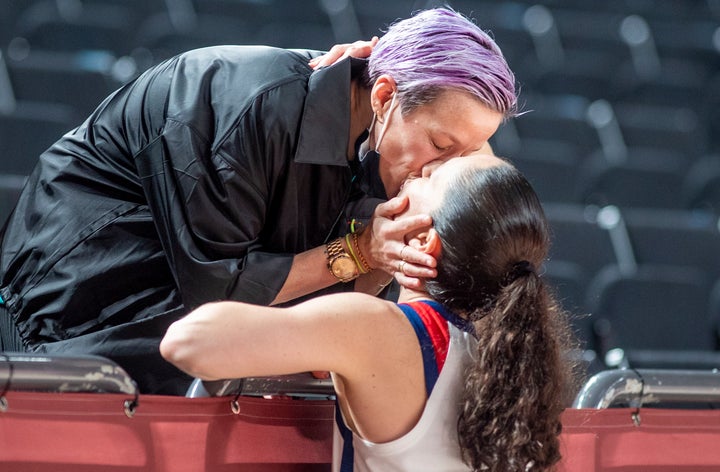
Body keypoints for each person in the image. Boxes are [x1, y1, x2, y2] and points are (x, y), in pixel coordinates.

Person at [0, 7, 518, 394]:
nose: (437, 168)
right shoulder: (243, 102)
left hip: (176, 331)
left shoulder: (389, 149)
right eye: (441, 146)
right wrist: (359, 252)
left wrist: (389, 250)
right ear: (384, 96)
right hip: (69, 311)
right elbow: (217, 294)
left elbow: (335, 332)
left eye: (461, 156)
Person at [160, 153, 579, 472]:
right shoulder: (505, 355)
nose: (418, 170)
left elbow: (188, 342)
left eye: (429, 178)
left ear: (421, 240)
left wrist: (357, 256)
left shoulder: (381, 330)